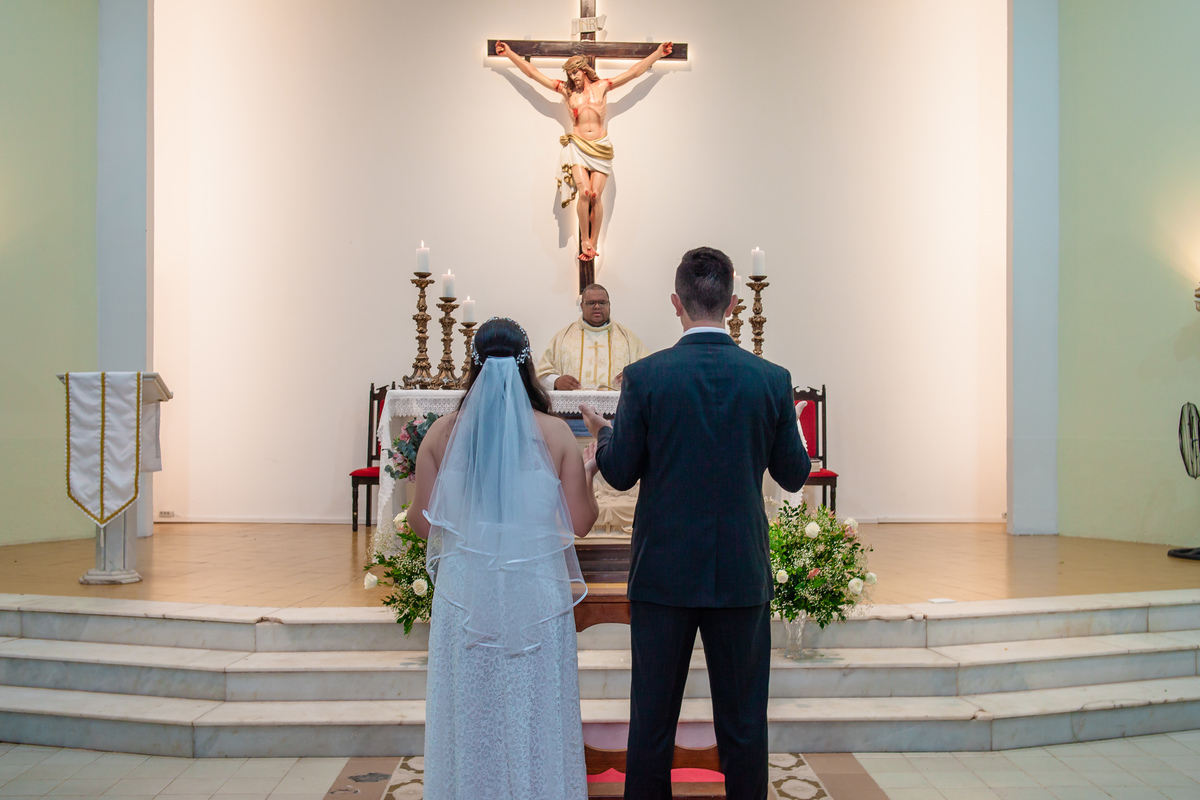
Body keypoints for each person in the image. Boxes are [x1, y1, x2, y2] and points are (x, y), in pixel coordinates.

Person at [580, 247, 811, 800]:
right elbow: (795, 473)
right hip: (741, 572)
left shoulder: (646, 377)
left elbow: (619, 472)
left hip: (664, 573)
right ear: (732, 304)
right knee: (744, 725)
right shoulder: (770, 379)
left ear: (676, 303)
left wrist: (605, 434)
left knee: (652, 722)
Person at [409, 317, 601, 799]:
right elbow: (580, 522)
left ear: (473, 366)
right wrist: (589, 471)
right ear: (527, 365)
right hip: (533, 591)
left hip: (465, 593)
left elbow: (423, 523)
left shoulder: (441, 434)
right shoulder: (555, 433)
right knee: (535, 706)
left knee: (469, 707)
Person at [494, 41, 673, 260]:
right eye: (570, 74)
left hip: (600, 146)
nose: (573, 77)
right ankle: (584, 240)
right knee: (585, 192)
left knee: (596, 195)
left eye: (576, 72)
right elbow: (533, 74)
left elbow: (633, 73)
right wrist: (510, 54)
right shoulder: (567, 91)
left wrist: (658, 53)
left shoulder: (602, 86)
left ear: (584, 69)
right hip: (578, 146)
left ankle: (594, 242)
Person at [537, 283, 651, 392]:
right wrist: (556, 381)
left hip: (617, 405)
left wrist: (634, 376)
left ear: (609, 305)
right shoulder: (562, 338)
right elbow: (541, 375)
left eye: (602, 302)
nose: (597, 307)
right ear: (582, 306)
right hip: (574, 405)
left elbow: (649, 372)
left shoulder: (628, 339)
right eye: (591, 303)